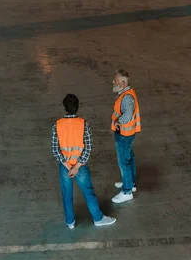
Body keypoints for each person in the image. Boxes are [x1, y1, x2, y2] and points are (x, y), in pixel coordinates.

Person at [52, 93, 116, 229]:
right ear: (77, 107)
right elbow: (88, 147)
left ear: (65, 107)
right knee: (88, 192)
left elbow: (55, 149)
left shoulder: (57, 125)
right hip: (80, 166)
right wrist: (76, 167)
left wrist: (68, 166)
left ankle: (70, 222)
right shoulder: (83, 124)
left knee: (66, 194)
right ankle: (98, 218)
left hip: (65, 167)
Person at [111, 69, 141, 204]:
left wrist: (118, 122)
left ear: (123, 83)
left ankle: (127, 191)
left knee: (124, 163)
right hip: (129, 134)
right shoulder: (126, 93)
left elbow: (128, 114)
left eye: (115, 80)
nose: (113, 82)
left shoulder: (127, 98)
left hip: (123, 134)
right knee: (129, 158)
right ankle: (131, 183)